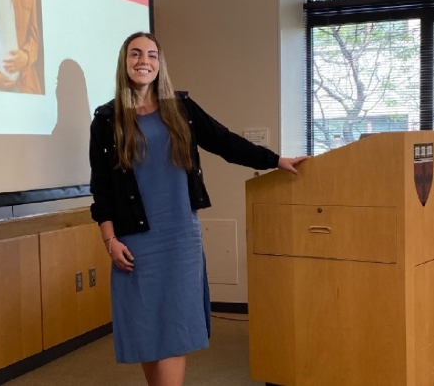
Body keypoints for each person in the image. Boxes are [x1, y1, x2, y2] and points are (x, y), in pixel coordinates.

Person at [89, 32, 307, 386]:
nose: (144, 61)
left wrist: (275, 159)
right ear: (124, 62)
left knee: (176, 322)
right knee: (146, 324)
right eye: (135, 54)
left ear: (160, 64)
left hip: (179, 236)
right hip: (135, 238)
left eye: (152, 55)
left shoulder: (181, 110)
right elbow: (101, 188)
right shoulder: (106, 120)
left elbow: (225, 142)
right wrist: (109, 240)